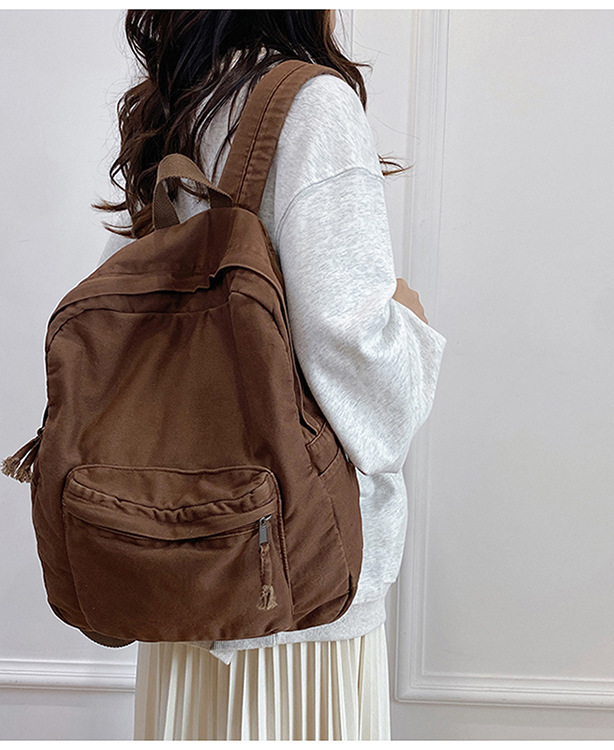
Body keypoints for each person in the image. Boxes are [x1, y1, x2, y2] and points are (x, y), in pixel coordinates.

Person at [92, 9, 447, 741]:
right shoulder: (313, 103)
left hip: (182, 549)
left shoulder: (180, 105)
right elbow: (347, 343)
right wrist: (408, 324)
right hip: (294, 570)